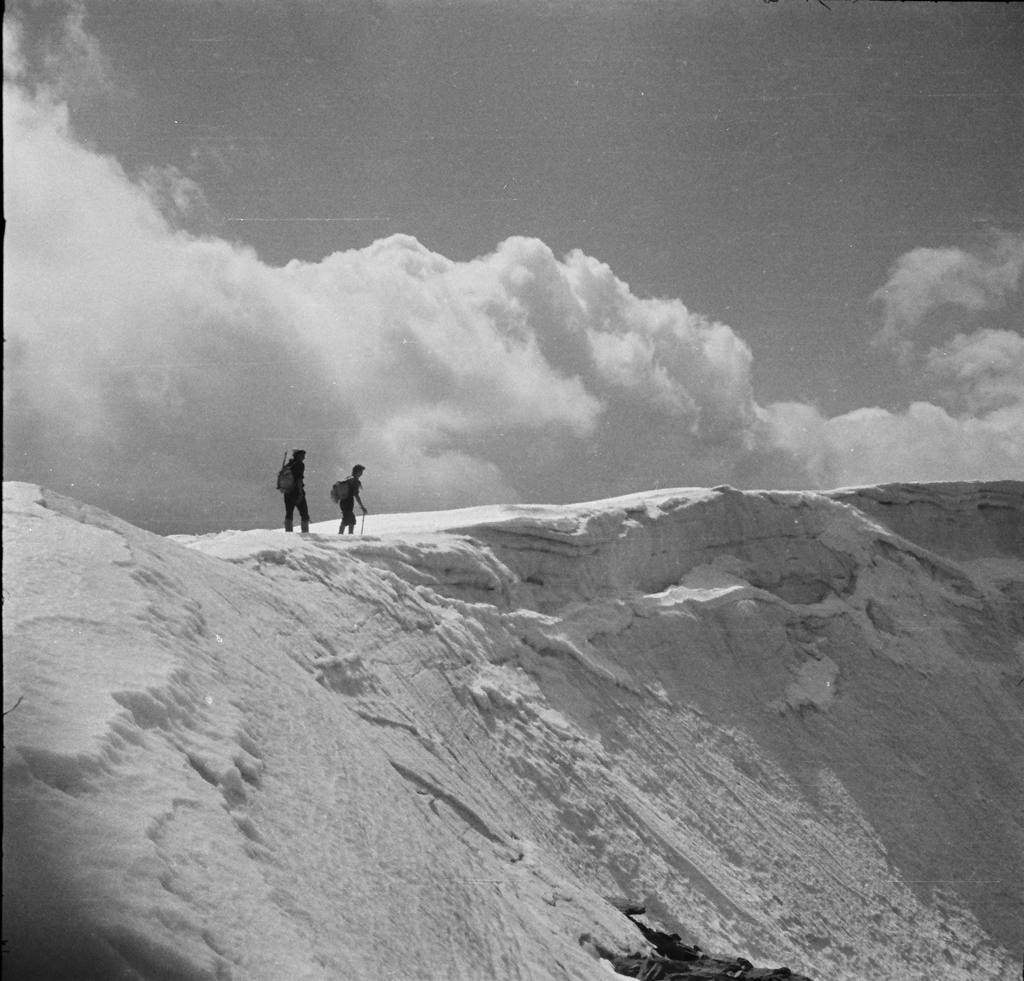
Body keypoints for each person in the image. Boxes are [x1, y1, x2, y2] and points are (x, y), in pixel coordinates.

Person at [283, 449, 310, 533]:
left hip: (287, 492)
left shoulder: (288, 465)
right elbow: (299, 479)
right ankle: (305, 534)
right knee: (304, 514)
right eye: (302, 455)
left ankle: (288, 532)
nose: (304, 457)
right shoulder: (300, 464)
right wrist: (300, 493)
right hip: (297, 492)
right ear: (298, 455)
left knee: (289, 513)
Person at [336, 464, 367, 534]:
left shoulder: (348, 478)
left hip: (343, 502)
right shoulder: (354, 481)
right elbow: (356, 495)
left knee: (346, 519)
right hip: (348, 502)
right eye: (361, 471)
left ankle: (341, 534)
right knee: (351, 520)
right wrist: (362, 506)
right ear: (357, 471)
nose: (362, 473)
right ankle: (350, 536)